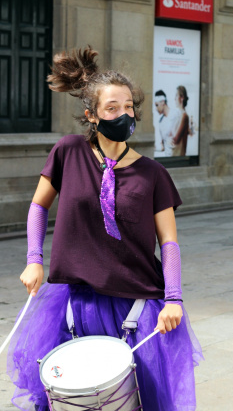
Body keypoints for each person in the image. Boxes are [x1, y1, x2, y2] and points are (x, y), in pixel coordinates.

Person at [7, 46, 203, 411]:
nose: (123, 114)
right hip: (74, 303)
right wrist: (34, 259)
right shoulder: (68, 152)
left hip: (136, 307)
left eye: (128, 107)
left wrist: (174, 298)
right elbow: (38, 206)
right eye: (112, 108)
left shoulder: (154, 174)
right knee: (70, 401)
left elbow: (170, 242)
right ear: (92, 115)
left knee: (133, 403)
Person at [154, 90, 181, 157]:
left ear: (163, 102)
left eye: (157, 105)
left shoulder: (176, 114)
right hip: (168, 157)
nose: (156, 108)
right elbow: (163, 146)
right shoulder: (161, 122)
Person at [171, 85, 190, 157]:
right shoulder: (178, 115)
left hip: (178, 154)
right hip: (174, 153)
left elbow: (176, 139)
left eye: (176, 96)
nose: (174, 99)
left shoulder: (184, 116)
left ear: (182, 98)